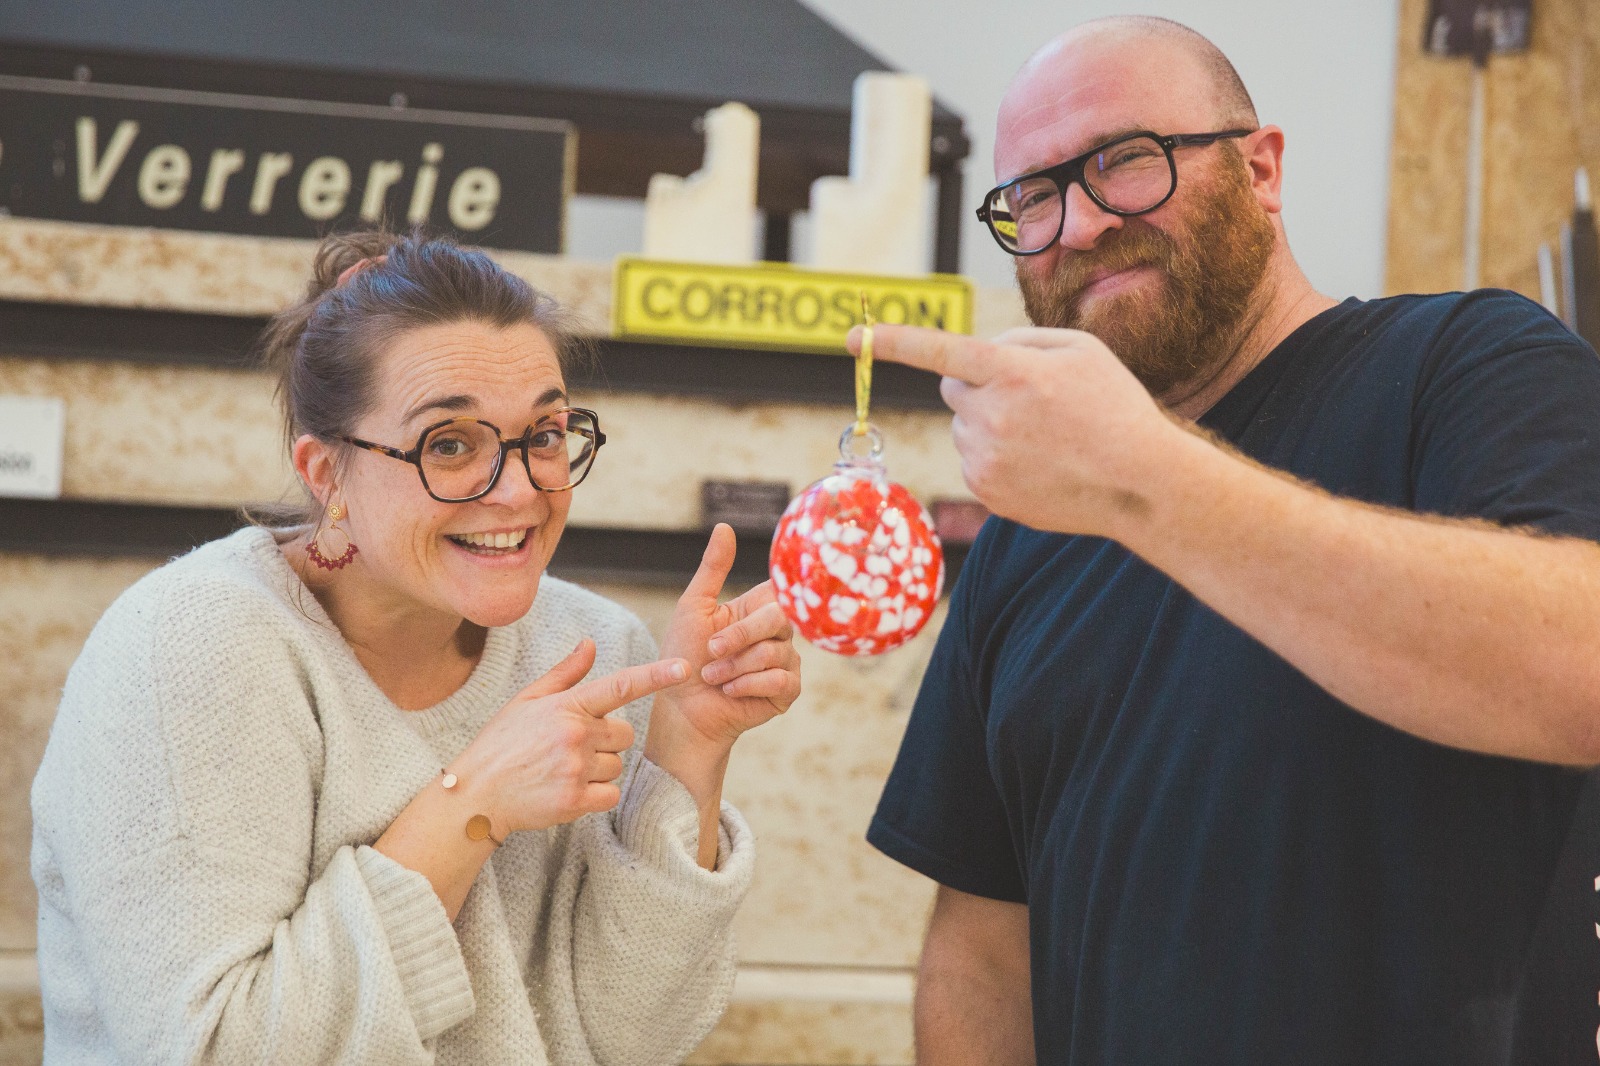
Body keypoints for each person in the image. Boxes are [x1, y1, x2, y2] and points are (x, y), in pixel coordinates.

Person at [862, 15, 1600, 1066]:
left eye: (1124, 160)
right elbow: (984, 949)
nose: (1077, 225)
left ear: (1260, 170)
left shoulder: (1467, 363)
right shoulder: (1032, 526)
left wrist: (1144, 476)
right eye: (1031, 197)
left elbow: (1579, 669)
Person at [30, 229, 802, 1065]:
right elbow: (210, 1049)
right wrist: (473, 803)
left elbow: (630, 1038)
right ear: (326, 474)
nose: (519, 490)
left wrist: (685, 747)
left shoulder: (594, 646)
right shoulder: (191, 648)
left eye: (544, 435)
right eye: (450, 444)